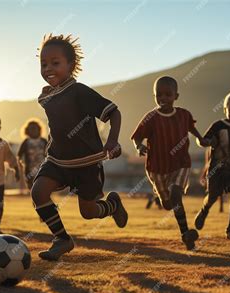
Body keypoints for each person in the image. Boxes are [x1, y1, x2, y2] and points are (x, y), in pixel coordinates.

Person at [32, 34, 128, 261]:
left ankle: (112, 205)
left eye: (55, 63)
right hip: (56, 161)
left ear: (71, 65)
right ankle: (62, 239)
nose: (48, 68)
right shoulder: (46, 96)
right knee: (38, 192)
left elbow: (114, 112)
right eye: (43, 64)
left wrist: (112, 141)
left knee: (88, 212)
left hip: (86, 164)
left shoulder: (79, 91)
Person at [131, 76, 209, 250]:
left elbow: (191, 127)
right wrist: (138, 146)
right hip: (157, 168)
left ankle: (185, 235)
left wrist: (201, 138)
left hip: (180, 163)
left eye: (168, 94)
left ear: (176, 96)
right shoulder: (150, 118)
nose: (163, 98)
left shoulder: (183, 115)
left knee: (175, 195)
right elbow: (136, 136)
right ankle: (163, 200)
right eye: (159, 95)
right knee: (167, 204)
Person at [194, 91, 230, 241]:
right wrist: (205, 142)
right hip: (217, 170)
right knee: (212, 197)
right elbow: (202, 140)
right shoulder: (218, 125)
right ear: (225, 109)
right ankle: (204, 211)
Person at [17, 119, 48, 191]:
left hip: (43, 169)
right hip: (29, 171)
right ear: (27, 130)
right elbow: (19, 155)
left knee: (43, 188)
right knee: (33, 189)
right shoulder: (26, 142)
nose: (33, 130)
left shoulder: (43, 141)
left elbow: (50, 153)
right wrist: (19, 165)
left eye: (35, 128)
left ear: (39, 129)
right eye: (31, 128)